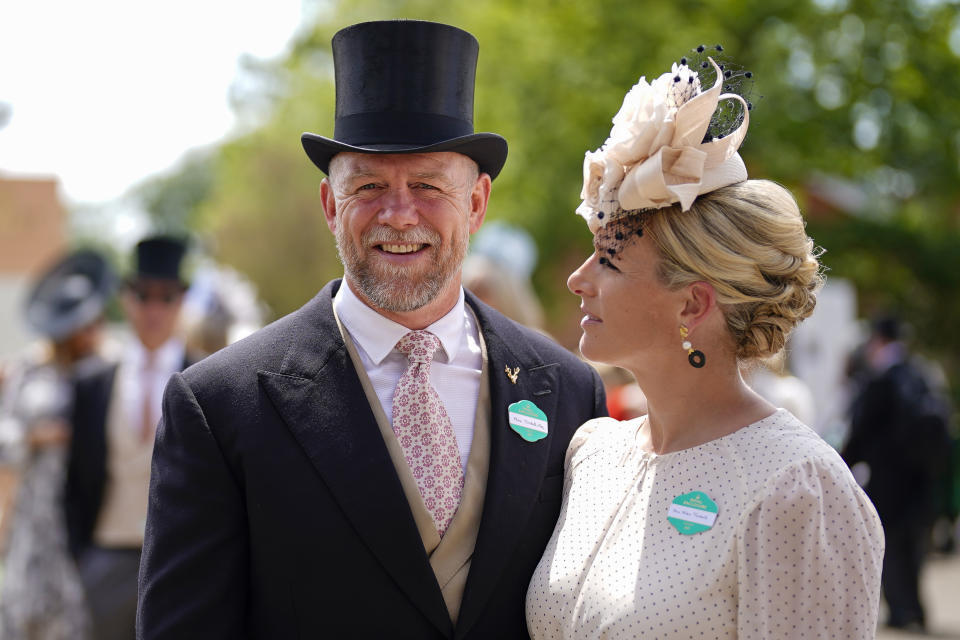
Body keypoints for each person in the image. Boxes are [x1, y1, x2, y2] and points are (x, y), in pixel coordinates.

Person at [136, 20, 607, 640]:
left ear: (477, 202)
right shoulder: (221, 405)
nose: (399, 213)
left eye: (428, 185)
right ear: (331, 205)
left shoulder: (570, 392)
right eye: (369, 187)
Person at [525, 50, 884, 638]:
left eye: (609, 260)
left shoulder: (796, 488)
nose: (578, 279)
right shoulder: (592, 451)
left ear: (692, 303)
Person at [66, 236, 195, 640]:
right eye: (143, 295)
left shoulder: (209, 380)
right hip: (104, 557)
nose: (153, 308)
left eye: (166, 296)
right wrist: (80, 556)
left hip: (181, 563)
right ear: (125, 298)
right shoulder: (91, 382)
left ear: (181, 302)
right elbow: (72, 479)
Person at [0, 248, 115, 640]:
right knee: (24, 614)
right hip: (34, 513)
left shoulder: (104, 372)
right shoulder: (30, 371)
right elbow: (5, 434)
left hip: (82, 512)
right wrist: (36, 437)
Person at [842, 314, 953, 631]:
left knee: (888, 543)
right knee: (914, 546)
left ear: (878, 340)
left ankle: (903, 612)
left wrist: (843, 464)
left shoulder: (881, 380)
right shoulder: (922, 374)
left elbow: (862, 430)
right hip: (922, 477)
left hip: (888, 478)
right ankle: (914, 608)